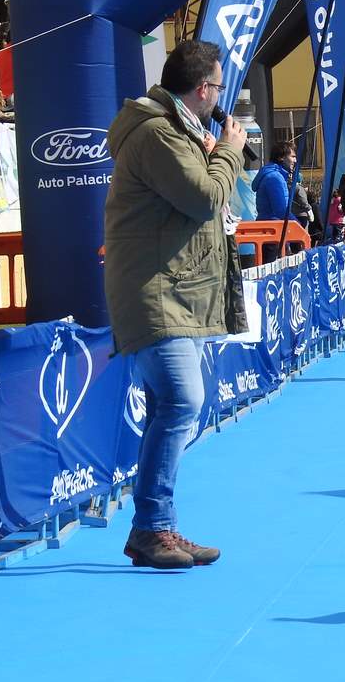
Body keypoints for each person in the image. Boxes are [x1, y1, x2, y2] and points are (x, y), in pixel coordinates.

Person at [102, 39, 248, 570]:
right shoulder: (160, 134)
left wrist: (217, 152)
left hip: (171, 290)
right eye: (218, 86)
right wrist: (229, 150)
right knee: (183, 401)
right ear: (204, 88)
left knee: (175, 405)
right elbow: (204, 197)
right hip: (154, 292)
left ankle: (154, 525)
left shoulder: (177, 131)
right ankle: (152, 527)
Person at [253, 141, 296, 222]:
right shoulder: (274, 178)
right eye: (292, 157)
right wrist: (298, 225)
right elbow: (281, 211)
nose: (295, 160)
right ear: (281, 157)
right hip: (273, 228)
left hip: (269, 225)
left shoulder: (274, 175)